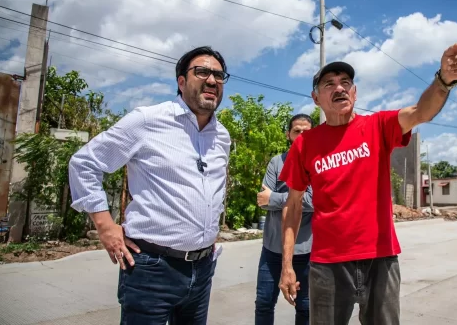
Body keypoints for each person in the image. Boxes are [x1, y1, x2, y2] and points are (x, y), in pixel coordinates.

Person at [278, 31, 457, 324]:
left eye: (346, 83)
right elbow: (294, 205)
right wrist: (286, 265)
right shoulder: (305, 144)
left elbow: (420, 111)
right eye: (329, 84)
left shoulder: (378, 126)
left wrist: (444, 79)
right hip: (327, 264)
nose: (339, 88)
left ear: (355, 93)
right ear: (316, 98)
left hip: (381, 258)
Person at [68, 46, 231, 324]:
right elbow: (84, 163)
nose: (212, 80)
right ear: (181, 82)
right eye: (202, 72)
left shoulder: (222, 135)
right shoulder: (147, 121)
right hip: (151, 268)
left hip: (202, 269)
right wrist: (106, 227)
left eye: (218, 74)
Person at [254, 114, 314, 325]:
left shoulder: (317, 164)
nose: (301, 136)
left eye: (307, 132)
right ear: (289, 134)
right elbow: (262, 199)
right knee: (263, 303)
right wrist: (291, 200)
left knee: (305, 307)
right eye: (297, 131)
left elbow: (313, 201)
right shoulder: (277, 162)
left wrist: (276, 198)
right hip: (272, 250)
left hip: (305, 251)